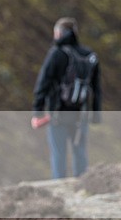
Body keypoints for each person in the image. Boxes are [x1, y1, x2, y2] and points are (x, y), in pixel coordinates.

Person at [32, 17, 101, 179]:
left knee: (58, 154)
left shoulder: (56, 54)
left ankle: (60, 189)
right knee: (80, 153)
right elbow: (96, 88)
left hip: (57, 114)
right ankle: (84, 187)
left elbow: (43, 83)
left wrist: (37, 112)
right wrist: (96, 115)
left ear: (59, 33)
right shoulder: (90, 55)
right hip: (80, 114)